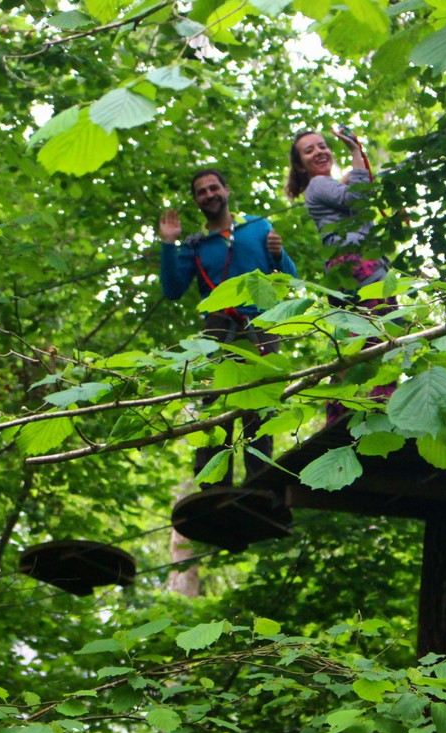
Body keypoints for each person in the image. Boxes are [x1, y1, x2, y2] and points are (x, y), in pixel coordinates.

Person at [159, 168, 297, 486]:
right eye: (201, 192)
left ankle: (259, 481)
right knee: (214, 398)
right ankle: (212, 484)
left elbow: (288, 277)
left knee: (259, 401)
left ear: (226, 190)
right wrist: (169, 244)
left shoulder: (258, 226)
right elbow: (172, 289)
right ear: (196, 200)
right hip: (218, 324)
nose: (209, 195)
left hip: (262, 321)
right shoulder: (196, 245)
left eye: (213, 188)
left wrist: (279, 253)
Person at [286, 130, 395, 423]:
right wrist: (356, 152)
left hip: (346, 271)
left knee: (354, 342)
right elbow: (357, 201)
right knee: (380, 339)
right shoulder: (319, 184)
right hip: (360, 266)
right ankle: (380, 404)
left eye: (322, 146)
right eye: (309, 151)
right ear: (300, 165)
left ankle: (342, 413)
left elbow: (354, 196)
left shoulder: (325, 186)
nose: (319, 152)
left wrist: (350, 176)